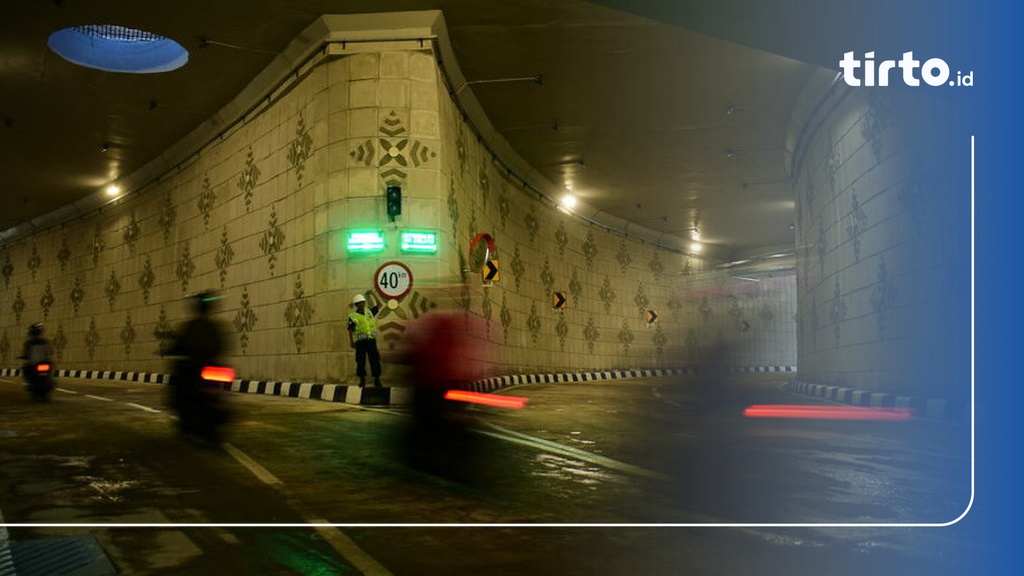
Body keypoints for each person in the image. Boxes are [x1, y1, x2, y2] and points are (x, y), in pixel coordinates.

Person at [165, 290, 230, 443]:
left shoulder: (191, 326)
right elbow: (222, 345)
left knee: (177, 372)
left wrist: (169, 350)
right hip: (213, 367)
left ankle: (181, 410)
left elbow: (178, 345)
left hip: (194, 368)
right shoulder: (216, 327)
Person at [347, 292, 382, 387]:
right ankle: (362, 380)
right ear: (356, 305)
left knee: (375, 360)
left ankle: (377, 379)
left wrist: (373, 294)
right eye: (359, 303)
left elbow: (380, 305)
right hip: (360, 342)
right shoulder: (353, 316)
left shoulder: (369, 312)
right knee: (360, 361)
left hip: (371, 341)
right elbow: (350, 329)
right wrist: (351, 341)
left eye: (363, 302)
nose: (362, 304)